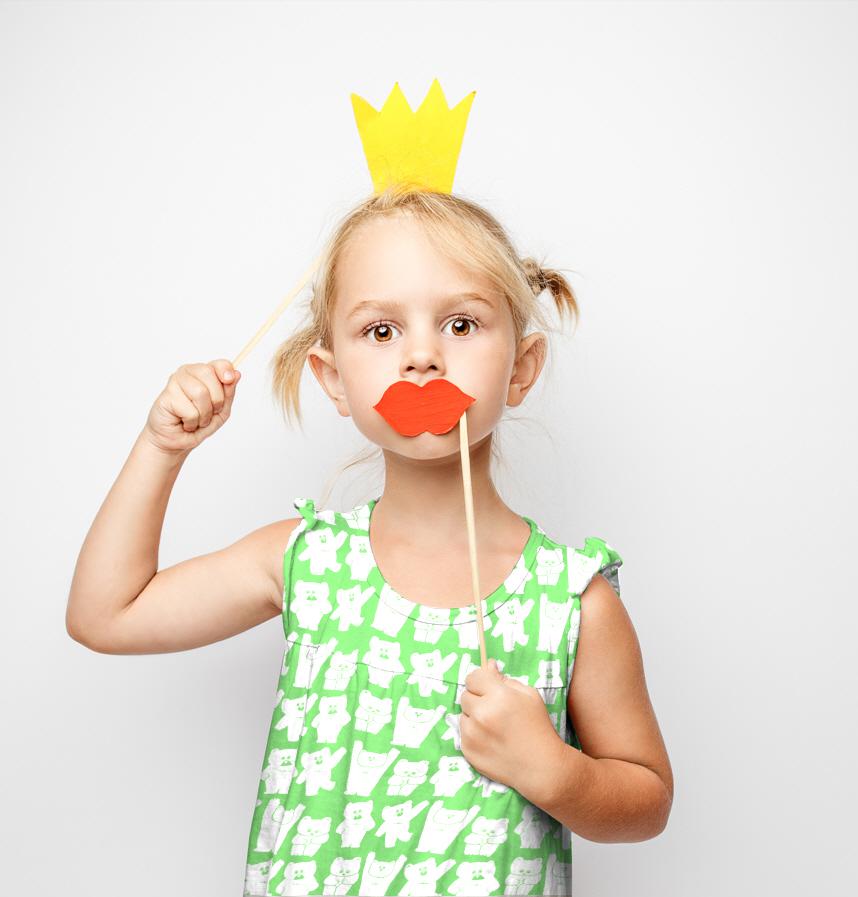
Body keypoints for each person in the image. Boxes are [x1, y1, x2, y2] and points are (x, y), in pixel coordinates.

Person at [66, 187, 673, 896]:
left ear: (521, 367)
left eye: (461, 323)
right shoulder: (304, 562)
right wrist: (161, 449)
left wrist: (553, 769)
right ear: (333, 380)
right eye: (381, 331)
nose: (422, 356)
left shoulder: (573, 599)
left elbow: (648, 800)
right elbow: (106, 614)